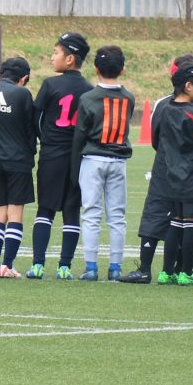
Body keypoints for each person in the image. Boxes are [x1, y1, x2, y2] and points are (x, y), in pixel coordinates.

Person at [129, 59, 193, 285]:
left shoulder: (165, 107)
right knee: (191, 222)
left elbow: (156, 138)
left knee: (172, 219)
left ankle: (165, 271)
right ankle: (185, 272)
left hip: (168, 170)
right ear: (188, 85)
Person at [27, 31, 93, 279]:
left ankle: (37, 264)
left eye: (56, 53)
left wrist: (45, 139)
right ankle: (65, 266)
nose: (51, 57)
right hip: (78, 158)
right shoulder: (88, 89)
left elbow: (37, 118)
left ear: (70, 59)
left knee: (45, 209)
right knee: (71, 210)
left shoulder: (50, 85)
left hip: (51, 154)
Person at [73, 45, 135, 282]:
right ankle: (116, 266)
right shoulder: (128, 97)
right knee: (117, 216)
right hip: (118, 160)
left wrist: (73, 166)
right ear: (122, 69)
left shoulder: (88, 98)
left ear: (96, 68)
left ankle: (91, 267)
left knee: (91, 213)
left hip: (92, 158)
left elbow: (81, 133)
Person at [0, 55, 36, 277]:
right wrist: (31, 151)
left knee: (0, 210)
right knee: (16, 212)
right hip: (18, 160)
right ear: (24, 78)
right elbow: (29, 128)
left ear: (1, 75)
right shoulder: (22, 94)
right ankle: (8, 266)